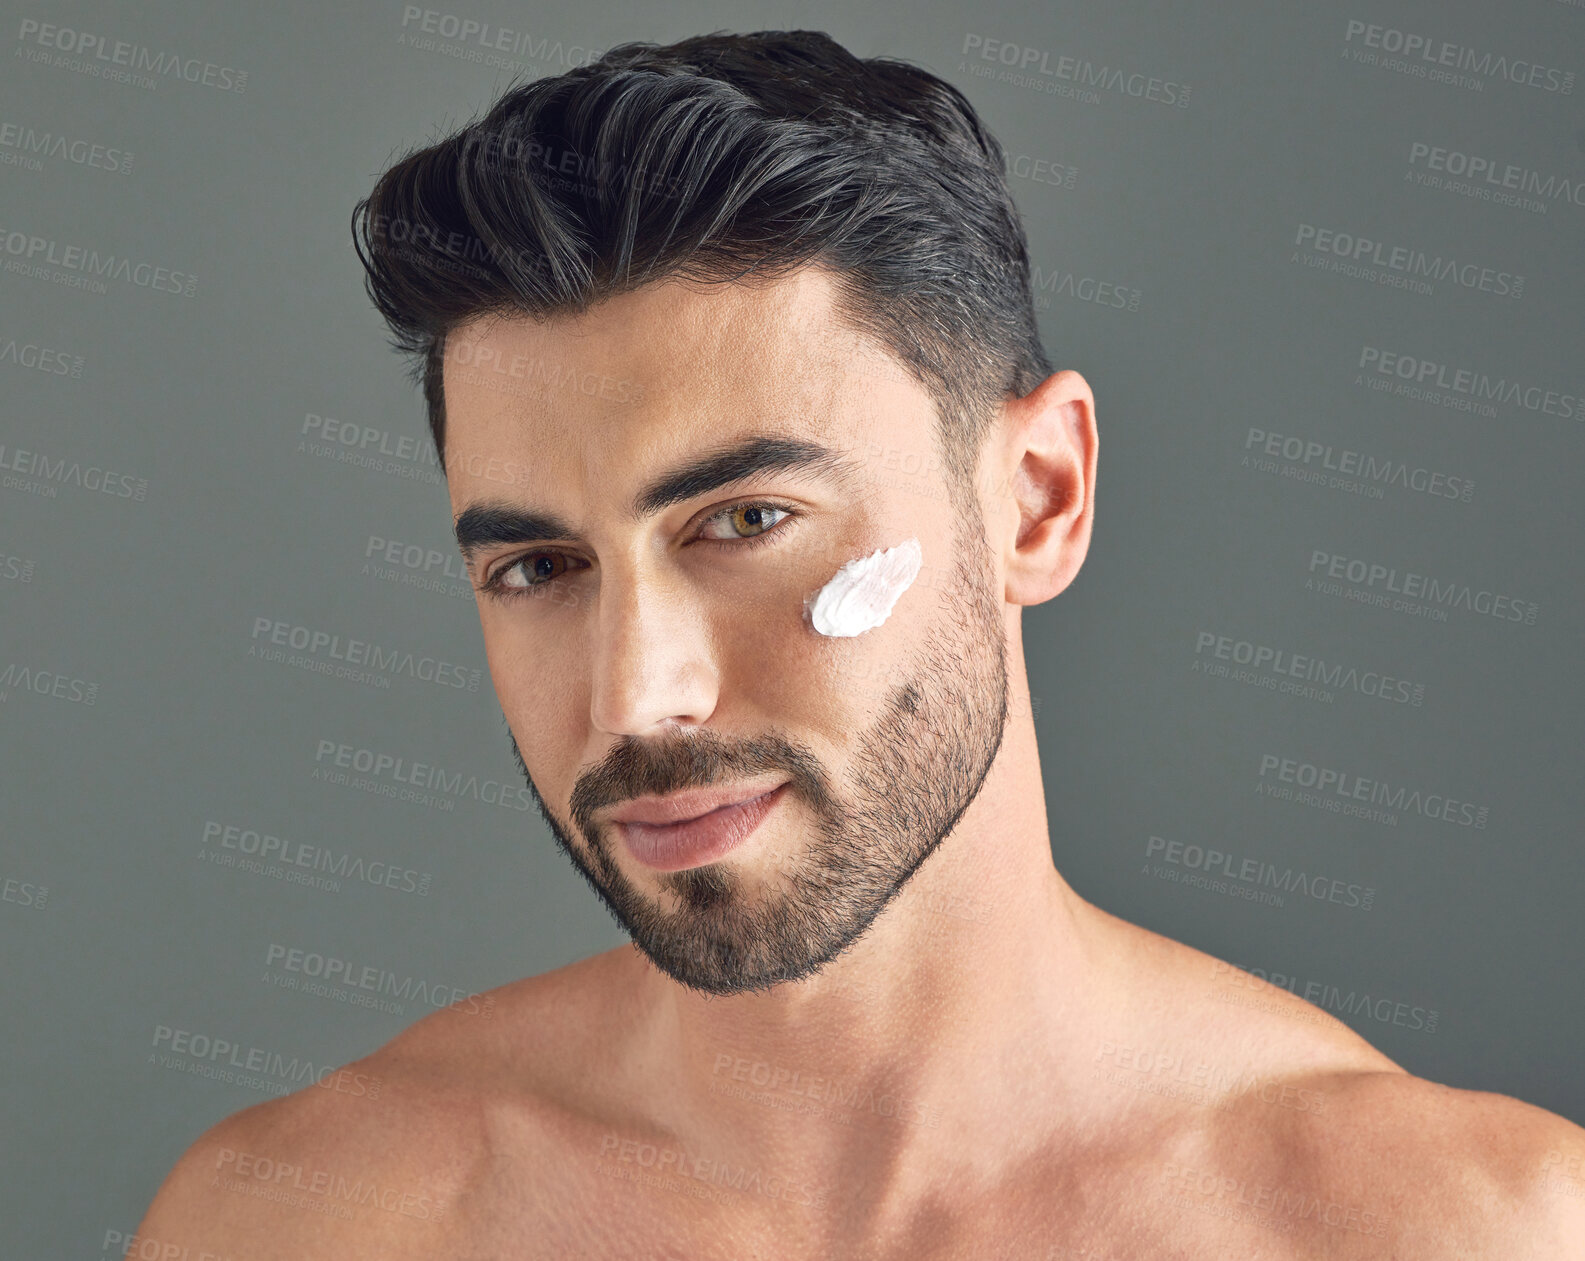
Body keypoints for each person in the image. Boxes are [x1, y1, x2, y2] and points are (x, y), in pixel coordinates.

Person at [132, 30, 1585, 1258]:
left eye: (746, 518)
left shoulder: (1455, 1228)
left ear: (1036, 498)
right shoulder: (313, 1220)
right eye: (536, 564)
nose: (636, 694)